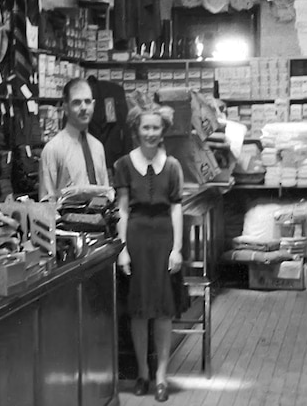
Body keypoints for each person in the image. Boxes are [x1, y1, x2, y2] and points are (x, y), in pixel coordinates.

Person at [114, 105, 187, 402]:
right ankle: (142, 373)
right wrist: (122, 250)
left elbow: (176, 207)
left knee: (163, 311)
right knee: (139, 311)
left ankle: (161, 377)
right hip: (136, 240)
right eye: (145, 128)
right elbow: (121, 208)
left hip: (164, 242)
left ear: (163, 131)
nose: (151, 133)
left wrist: (178, 249)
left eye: (156, 128)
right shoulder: (123, 165)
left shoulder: (172, 166)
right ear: (136, 130)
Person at [39, 78, 109, 200]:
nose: (83, 108)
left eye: (87, 102)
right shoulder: (53, 149)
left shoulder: (98, 147)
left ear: (93, 105)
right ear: (65, 108)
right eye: (76, 102)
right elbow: (46, 205)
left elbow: (105, 194)